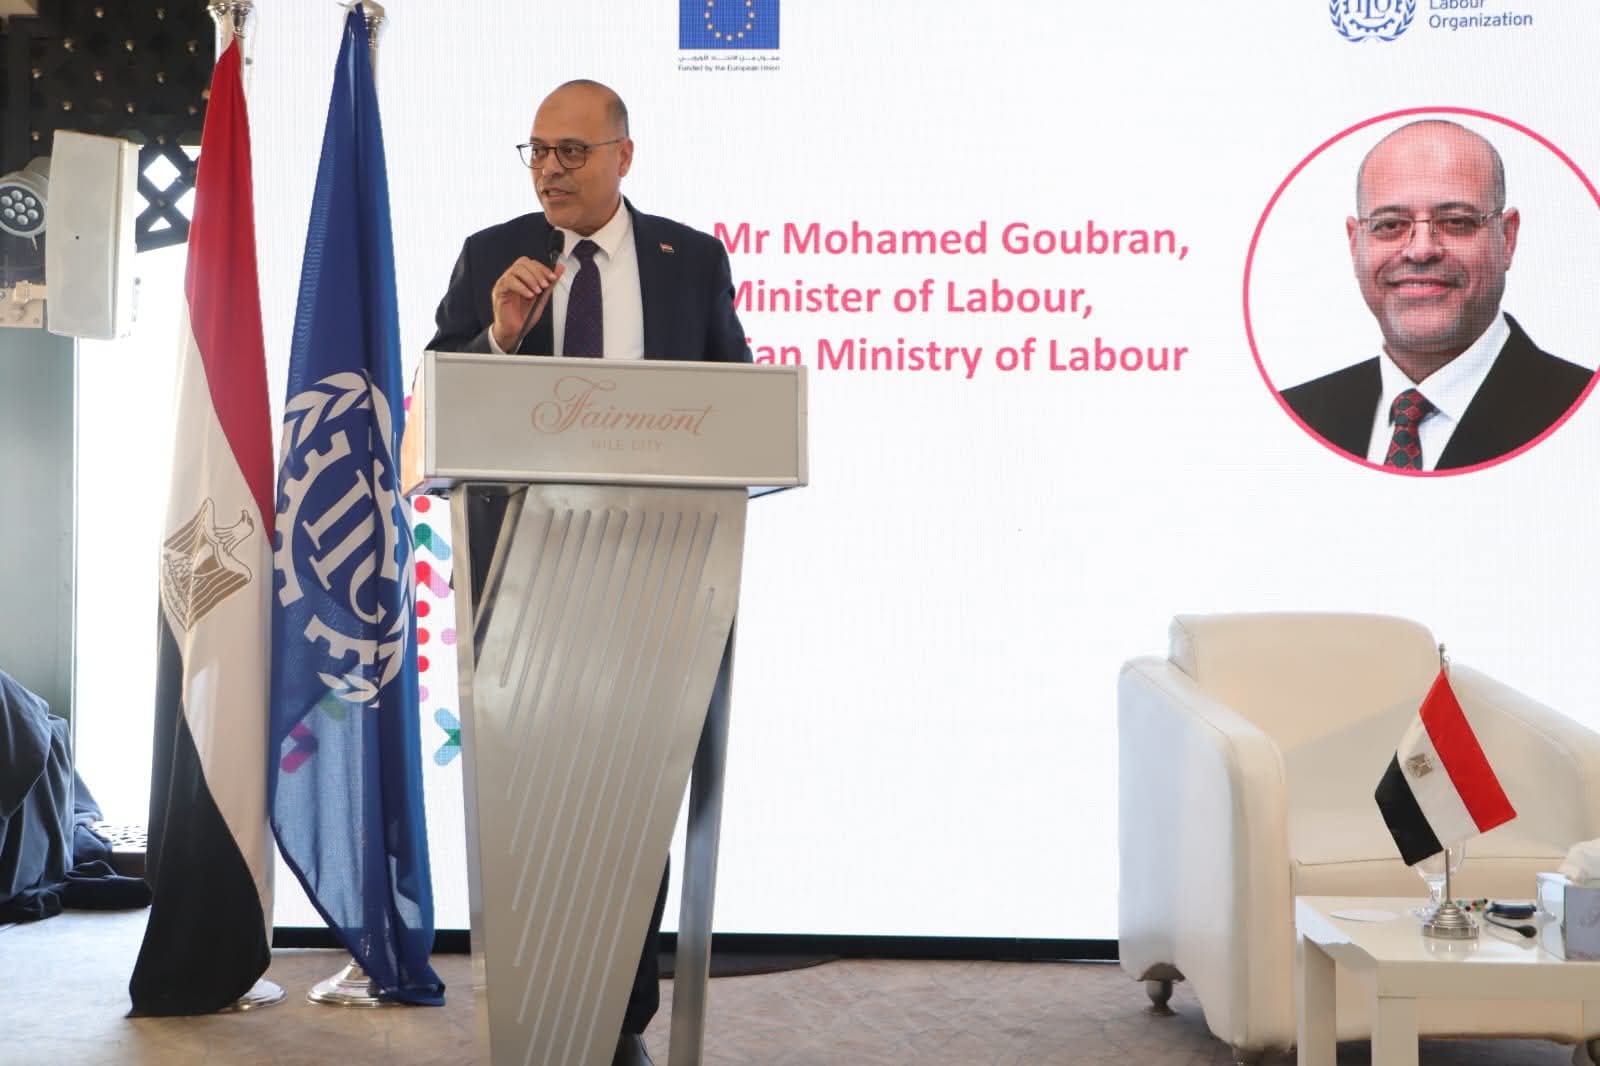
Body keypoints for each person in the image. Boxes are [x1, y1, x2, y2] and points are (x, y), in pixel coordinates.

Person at [427, 79, 750, 1066]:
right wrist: (499, 336)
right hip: (521, 570)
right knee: (532, 800)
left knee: (631, 799)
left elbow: (738, 402)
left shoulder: (691, 259)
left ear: (623, 156)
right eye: (537, 150)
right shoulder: (492, 254)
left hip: (655, 572)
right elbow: (437, 393)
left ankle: (616, 1021)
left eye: (571, 151)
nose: (550, 170)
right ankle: (537, 1012)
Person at [1280, 119, 1593, 471]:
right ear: (1356, 245)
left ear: (1506, 238)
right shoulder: (1294, 416)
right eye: (1390, 225)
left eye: (1456, 221)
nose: (1421, 250)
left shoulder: (1584, 411)